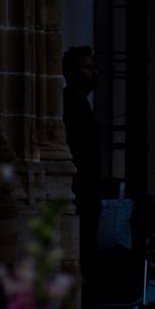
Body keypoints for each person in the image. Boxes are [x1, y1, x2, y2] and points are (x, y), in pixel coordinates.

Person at [61, 46, 101, 286]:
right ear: (71, 72)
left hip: (88, 195)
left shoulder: (82, 103)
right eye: (88, 68)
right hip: (79, 193)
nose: (93, 73)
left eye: (94, 67)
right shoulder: (70, 103)